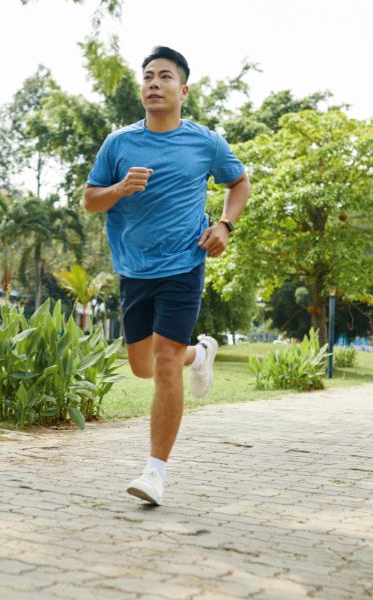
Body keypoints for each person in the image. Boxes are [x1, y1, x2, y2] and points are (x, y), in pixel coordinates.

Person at [83, 46, 251, 505]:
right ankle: (199, 355)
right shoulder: (118, 144)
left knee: (161, 363)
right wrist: (119, 188)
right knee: (141, 366)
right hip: (134, 268)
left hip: (184, 264)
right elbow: (90, 199)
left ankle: (155, 472)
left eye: (165, 77)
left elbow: (239, 183)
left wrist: (224, 225)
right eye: (148, 77)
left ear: (184, 89)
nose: (154, 84)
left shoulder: (205, 142)